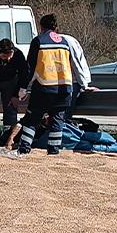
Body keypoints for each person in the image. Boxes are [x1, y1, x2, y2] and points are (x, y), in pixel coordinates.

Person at [17, 14, 74, 155]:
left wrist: (23, 87)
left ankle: (24, 148)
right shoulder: (65, 42)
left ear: (41, 27)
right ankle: (54, 150)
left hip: (44, 87)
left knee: (32, 119)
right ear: (56, 27)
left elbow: (30, 67)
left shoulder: (39, 41)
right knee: (57, 120)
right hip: (64, 88)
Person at [0, 38, 30, 130]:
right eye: (4, 56)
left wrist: (16, 94)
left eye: (10, 55)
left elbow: (24, 73)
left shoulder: (18, 54)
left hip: (10, 81)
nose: (8, 58)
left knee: (11, 109)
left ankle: (9, 133)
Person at [61, 33, 95, 120]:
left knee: (62, 115)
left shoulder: (66, 41)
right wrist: (84, 85)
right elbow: (77, 63)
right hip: (71, 82)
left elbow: (76, 63)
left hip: (68, 82)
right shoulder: (68, 40)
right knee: (64, 115)